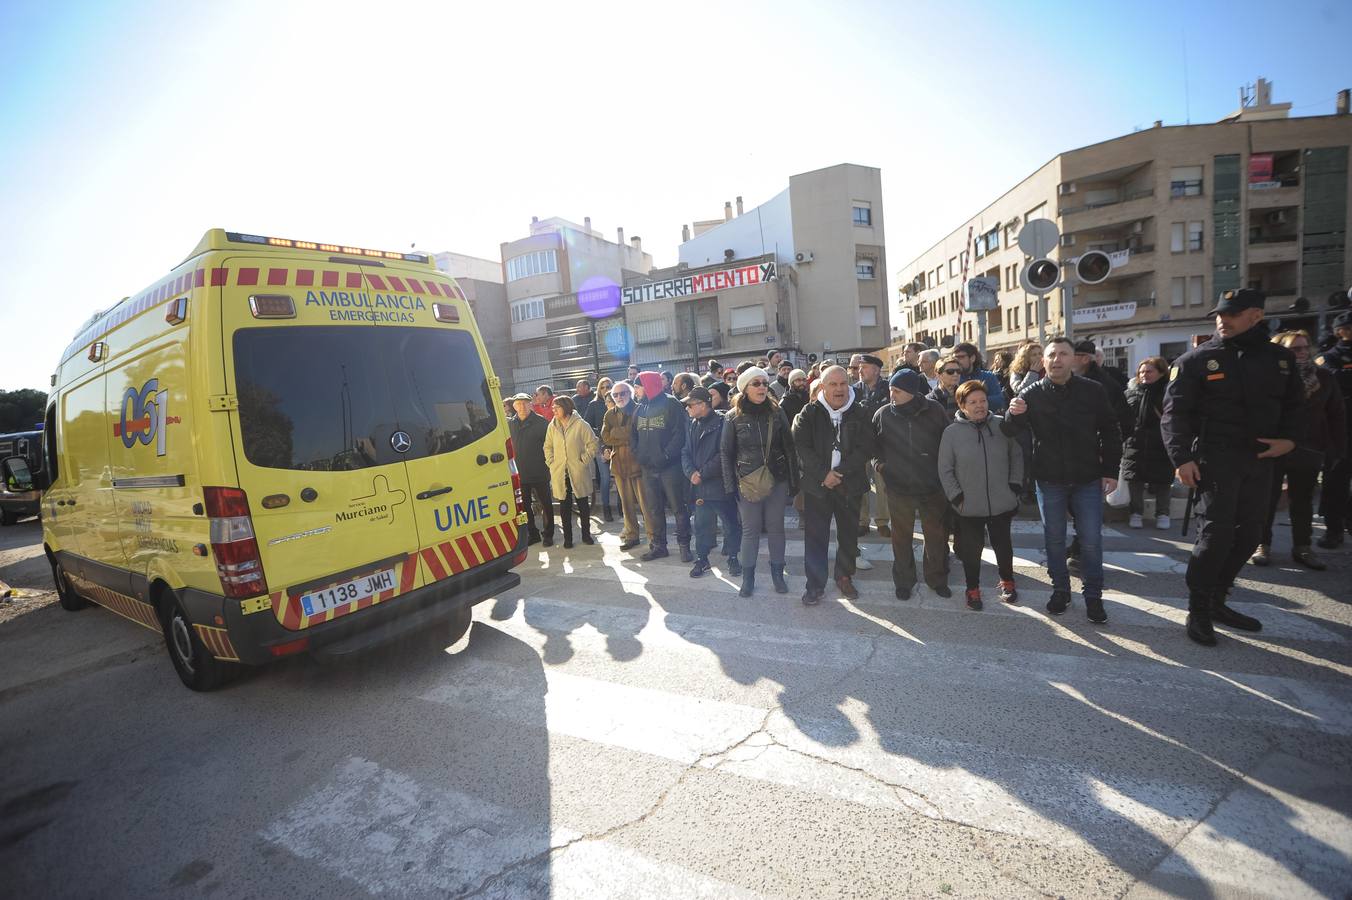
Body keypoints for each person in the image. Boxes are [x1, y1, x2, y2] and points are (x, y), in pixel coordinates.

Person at [1162, 289, 1306, 646]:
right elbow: (1174, 414)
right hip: (1216, 460)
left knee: (1251, 534)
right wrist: (1182, 458)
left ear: (1256, 315)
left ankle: (1217, 599)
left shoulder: (1280, 360)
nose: (1221, 320)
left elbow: (1296, 408)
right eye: (1219, 314)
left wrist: (1290, 440)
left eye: (1232, 314)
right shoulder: (1197, 360)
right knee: (1215, 536)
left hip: (1261, 460)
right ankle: (1198, 609)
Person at [1005, 337, 1122, 623]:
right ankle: (1061, 590)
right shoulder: (1031, 393)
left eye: (1063, 354)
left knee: (1092, 540)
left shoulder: (1093, 390)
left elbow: (1110, 429)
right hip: (1049, 479)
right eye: (1051, 355)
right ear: (1043, 361)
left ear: (1074, 359)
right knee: (1054, 541)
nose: (1057, 359)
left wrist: (1111, 469)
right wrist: (1013, 412)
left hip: (1087, 478)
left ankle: (1093, 596)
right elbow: (1010, 429)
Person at [1254, 330, 1344, 569]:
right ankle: (1262, 544)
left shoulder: (1323, 377)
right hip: (1272, 446)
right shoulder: (1268, 377)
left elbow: (1336, 414)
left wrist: (1335, 449)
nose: (1302, 353)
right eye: (1295, 349)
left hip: (1309, 447)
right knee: (1266, 498)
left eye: (1305, 348)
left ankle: (1302, 547)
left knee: (1302, 500)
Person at [793, 366, 875, 605]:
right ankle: (815, 585)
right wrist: (823, 474)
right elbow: (802, 447)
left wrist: (838, 472)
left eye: (843, 384)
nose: (839, 389)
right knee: (815, 537)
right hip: (818, 486)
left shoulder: (860, 412)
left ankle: (844, 576)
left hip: (849, 484)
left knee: (848, 536)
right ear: (823, 387)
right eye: (833, 384)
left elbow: (866, 448)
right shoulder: (809, 413)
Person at [939, 380, 1023, 610]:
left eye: (983, 401)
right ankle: (972, 588)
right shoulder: (952, 432)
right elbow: (945, 469)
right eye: (973, 402)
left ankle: (1007, 581)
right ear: (962, 405)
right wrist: (957, 497)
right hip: (968, 505)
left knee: (1003, 546)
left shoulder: (1001, 425)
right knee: (971, 551)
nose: (979, 406)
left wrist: (1014, 486)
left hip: (1001, 501)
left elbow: (1016, 455)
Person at [873, 368, 952, 600]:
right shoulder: (883, 414)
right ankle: (904, 582)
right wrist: (881, 467)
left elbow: (947, 444)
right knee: (901, 538)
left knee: (936, 537)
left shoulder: (935, 410)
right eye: (890, 389)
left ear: (911, 392)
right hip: (898, 489)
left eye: (897, 390)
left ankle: (937, 579)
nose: (892, 395)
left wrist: (942, 473)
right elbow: (874, 448)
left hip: (932, 488)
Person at [721, 367, 799, 596]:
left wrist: (794, 482)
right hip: (746, 482)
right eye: (756, 383)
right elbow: (726, 453)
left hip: (777, 478)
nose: (762, 387)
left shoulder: (777, 412)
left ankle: (777, 574)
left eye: (765, 383)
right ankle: (748, 578)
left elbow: (789, 448)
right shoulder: (732, 416)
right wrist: (729, 487)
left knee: (776, 528)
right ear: (745, 388)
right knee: (750, 530)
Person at [682, 387, 742, 578]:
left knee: (730, 523)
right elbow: (685, 451)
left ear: (703, 404)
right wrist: (691, 472)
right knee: (701, 524)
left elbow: (724, 454)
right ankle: (702, 559)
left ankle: (733, 557)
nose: (687, 408)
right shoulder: (692, 424)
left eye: (690, 404)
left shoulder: (722, 423)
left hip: (719, 484)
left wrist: (702, 473)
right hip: (699, 486)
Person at [634, 371, 693, 562]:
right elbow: (632, 436)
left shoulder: (671, 404)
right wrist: (639, 456)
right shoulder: (640, 408)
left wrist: (666, 455)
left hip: (670, 468)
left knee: (678, 507)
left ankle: (684, 546)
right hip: (648, 469)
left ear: (648, 385)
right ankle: (659, 546)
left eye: (638, 386)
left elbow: (680, 434)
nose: (635, 391)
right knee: (654, 509)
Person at [1122, 357, 1174, 530]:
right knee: (1134, 479)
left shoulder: (1169, 392)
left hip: (1161, 442)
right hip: (1135, 442)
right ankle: (1136, 513)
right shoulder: (1131, 392)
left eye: (1149, 371)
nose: (1144, 375)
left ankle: (1163, 514)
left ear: (1161, 372)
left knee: (1163, 480)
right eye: (1142, 371)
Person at [1316, 311, 1352, 547]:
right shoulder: (1328, 359)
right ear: (1341, 331)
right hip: (1339, 430)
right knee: (1335, 481)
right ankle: (1333, 529)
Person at [544, 396, 599, 549]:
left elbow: (593, 443)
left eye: (557, 407)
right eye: (553, 407)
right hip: (560, 472)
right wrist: (551, 462)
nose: (553, 410)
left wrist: (583, 460)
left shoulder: (581, 424)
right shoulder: (552, 426)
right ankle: (568, 539)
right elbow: (547, 446)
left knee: (583, 504)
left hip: (578, 471)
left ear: (566, 407)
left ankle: (586, 535)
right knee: (564, 506)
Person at [601, 381, 645, 552]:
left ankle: (654, 538)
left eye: (623, 393)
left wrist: (617, 433)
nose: (619, 397)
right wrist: (625, 433)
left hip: (638, 463)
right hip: (619, 464)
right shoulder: (609, 414)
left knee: (646, 504)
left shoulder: (639, 409)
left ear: (630, 393)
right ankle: (632, 535)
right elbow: (605, 437)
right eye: (616, 395)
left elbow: (638, 435)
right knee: (626, 505)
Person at [508, 393, 555, 547]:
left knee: (546, 505)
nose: (521, 406)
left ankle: (548, 534)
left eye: (524, 403)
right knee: (524, 506)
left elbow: (550, 446)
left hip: (539, 471)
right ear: (514, 406)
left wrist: (548, 465)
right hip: (520, 474)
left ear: (530, 405)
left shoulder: (541, 423)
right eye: (518, 404)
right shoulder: (510, 424)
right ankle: (533, 533)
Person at [852, 353, 891, 537]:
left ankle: (883, 521)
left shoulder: (888, 388)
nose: (860, 370)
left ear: (876, 370)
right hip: (859, 445)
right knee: (860, 484)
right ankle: (862, 521)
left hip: (881, 445)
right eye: (859, 367)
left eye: (864, 367)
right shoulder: (854, 390)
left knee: (882, 485)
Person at [1073, 341, 1132, 438]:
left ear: (1085, 359)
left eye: (1071, 355)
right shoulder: (1074, 380)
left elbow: (1119, 421)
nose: (1066, 360)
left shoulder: (1101, 385)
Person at [585, 376, 616, 522]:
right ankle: (606, 508)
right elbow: (587, 425)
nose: (605, 389)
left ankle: (622, 508)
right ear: (598, 389)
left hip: (617, 443)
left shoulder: (617, 402)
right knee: (605, 478)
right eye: (602, 387)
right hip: (600, 445)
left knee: (618, 477)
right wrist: (601, 434)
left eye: (608, 386)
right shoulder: (594, 404)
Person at [951, 342, 1007, 413]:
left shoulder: (988, 377)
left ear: (972, 358)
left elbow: (999, 401)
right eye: (954, 358)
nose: (957, 361)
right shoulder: (951, 378)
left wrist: (974, 401)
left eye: (961, 357)